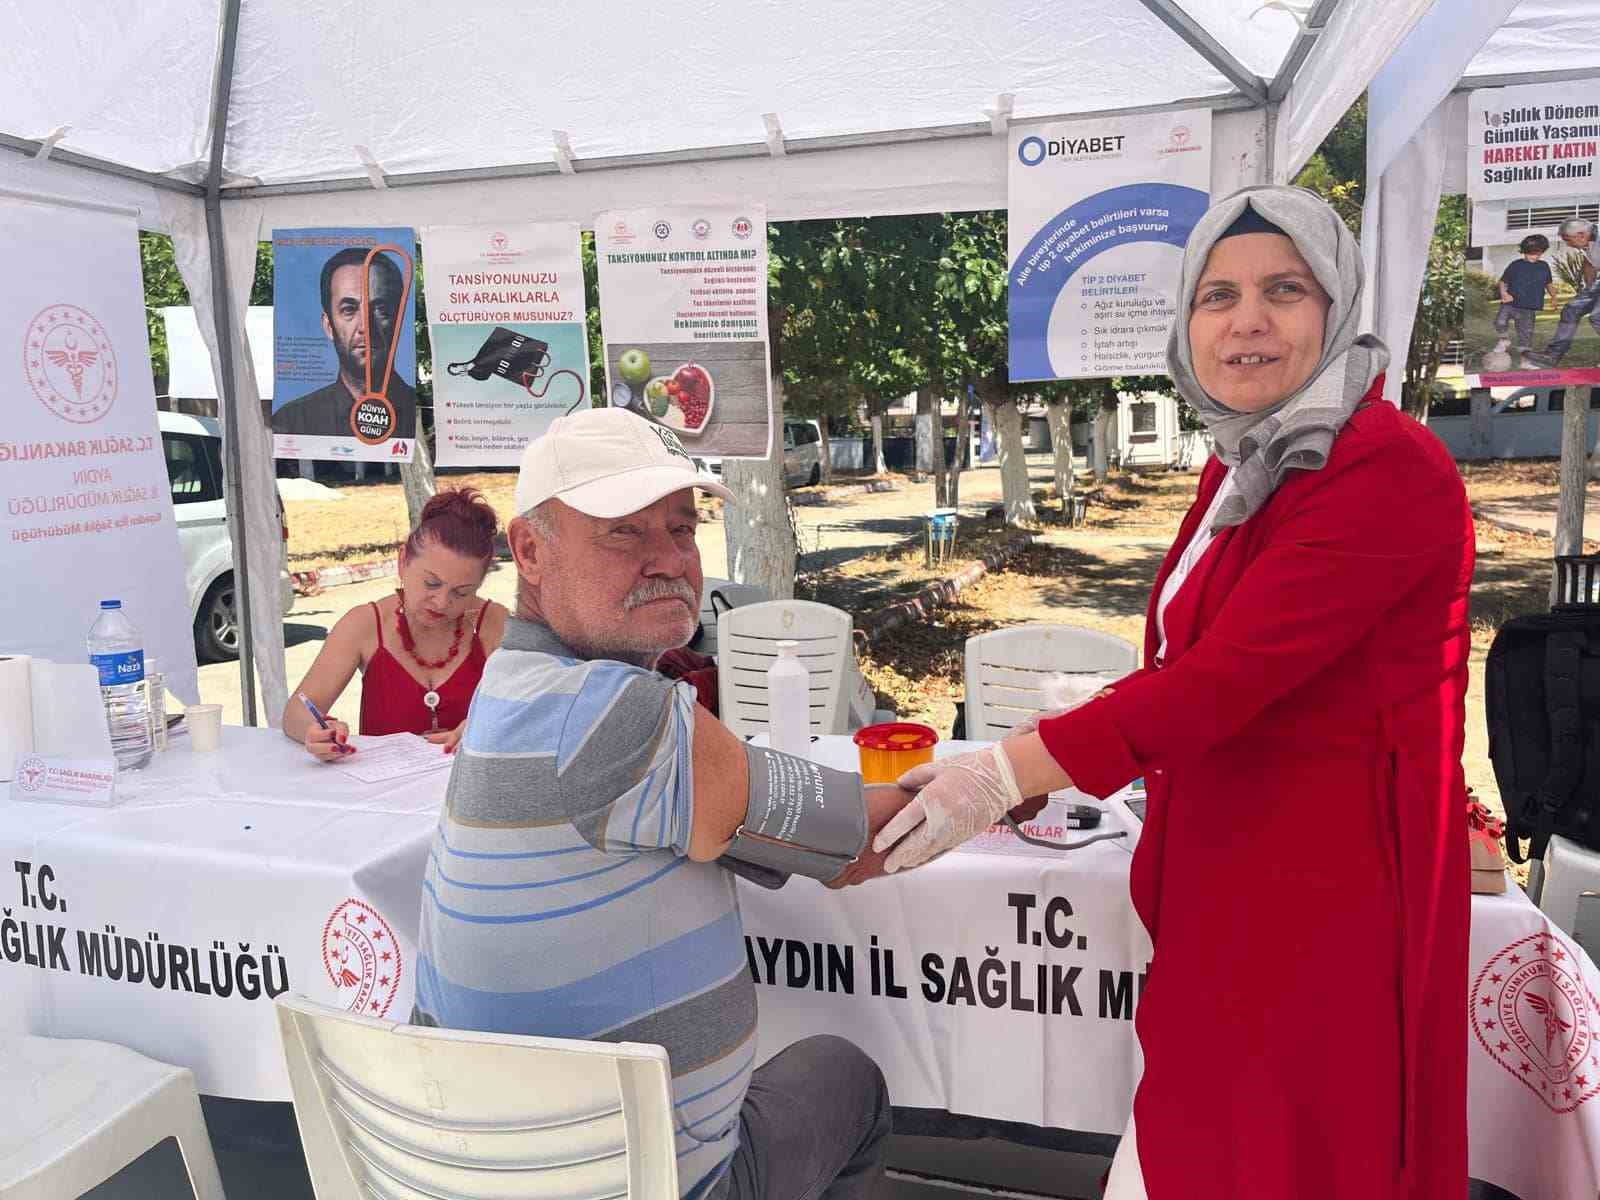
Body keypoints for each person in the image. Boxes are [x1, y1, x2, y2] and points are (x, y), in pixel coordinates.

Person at [875, 187, 1474, 1199]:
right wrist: (1031, 771)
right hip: (1221, 890)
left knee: (1306, 1153)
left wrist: (1000, 771)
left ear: (1334, 308)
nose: (1246, 320)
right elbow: (1177, 673)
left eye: (1283, 290)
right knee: (1210, 1142)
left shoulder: (1385, 467)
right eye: (1216, 295)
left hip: (1327, 909)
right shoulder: (1248, 464)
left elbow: (1221, 682)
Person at [413, 408, 912, 1200]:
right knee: (844, 1076)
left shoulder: (506, 690)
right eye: (624, 532)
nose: (670, 561)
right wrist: (1008, 780)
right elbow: (860, 846)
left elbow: (732, 809)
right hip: (651, 1186)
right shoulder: (619, 714)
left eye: (682, 529)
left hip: (490, 1174)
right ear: (531, 551)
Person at [282, 487, 508, 760]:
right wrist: (315, 731)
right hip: (384, 795)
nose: (441, 602)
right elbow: (297, 711)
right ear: (402, 562)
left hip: (469, 795)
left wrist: (490, 727)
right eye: (431, 583)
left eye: (462, 592)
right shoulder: (365, 624)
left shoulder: (495, 625)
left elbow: (537, 714)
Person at [273, 246, 419, 438]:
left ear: (398, 320)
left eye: (380, 309)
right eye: (349, 309)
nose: (365, 327)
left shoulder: (419, 413)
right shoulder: (291, 421)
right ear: (328, 326)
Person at [1526, 217, 1600, 367]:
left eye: (1568, 240)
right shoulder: (1588, 242)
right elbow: (1590, 263)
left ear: (1581, 235)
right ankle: (1552, 356)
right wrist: (1588, 289)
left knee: (1597, 316)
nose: (1568, 244)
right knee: (1571, 310)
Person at [1492, 233, 1554, 359]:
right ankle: (1504, 339)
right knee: (1500, 322)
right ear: (1524, 251)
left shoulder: (1544, 266)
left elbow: (1548, 283)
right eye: (1531, 253)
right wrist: (1504, 294)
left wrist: (1554, 297)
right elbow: (1503, 281)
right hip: (1510, 303)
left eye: (1538, 253)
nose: (1534, 256)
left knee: (1525, 334)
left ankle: (1526, 361)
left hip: (1528, 307)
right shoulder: (1515, 265)